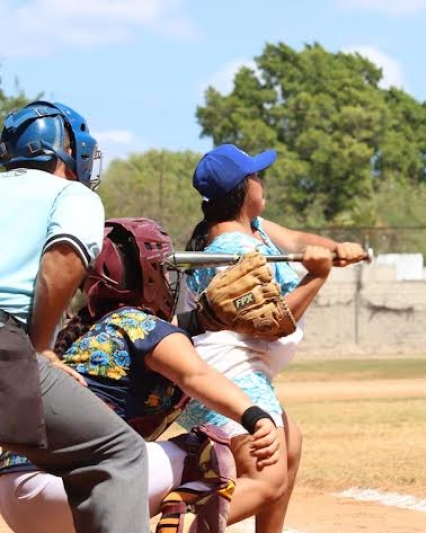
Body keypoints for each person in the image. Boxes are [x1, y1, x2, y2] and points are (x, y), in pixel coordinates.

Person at [0, 217, 281, 533]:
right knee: (212, 452)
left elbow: (154, 336)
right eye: (161, 271)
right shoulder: (141, 327)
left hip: (15, 495)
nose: (166, 280)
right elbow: (196, 375)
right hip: (69, 488)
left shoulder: (75, 334)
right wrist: (254, 415)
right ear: (147, 278)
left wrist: (202, 320)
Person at [178, 143, 365, 533]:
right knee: (266, 476)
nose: (262, 181)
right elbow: (273, 321)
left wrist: (335, 249)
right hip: (228, 369)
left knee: (290, 443)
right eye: (256, 176)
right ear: (242, 191)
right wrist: (318, 276)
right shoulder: (236, 249)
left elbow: (296, 240)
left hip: (236, 367)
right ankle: (184, 526)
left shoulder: (251, 230)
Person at [0, 100, 152, 532]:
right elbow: (64, 256)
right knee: (115, 453)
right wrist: (43, 345)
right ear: (70, 151)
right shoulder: (72, 194)